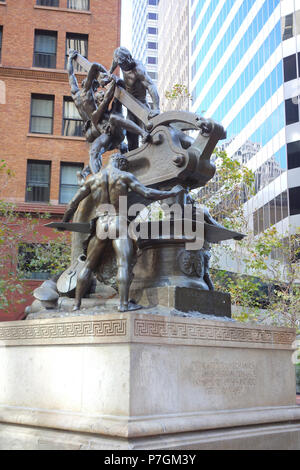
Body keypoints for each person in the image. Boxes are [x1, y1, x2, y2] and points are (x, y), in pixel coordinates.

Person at [61, 153, 184, 312]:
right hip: (119, 221)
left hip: (101, 223)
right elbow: (147, 193)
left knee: (89, 265)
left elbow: (73, 203)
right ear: (122, 164)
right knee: (123, 265)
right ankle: (123, 304)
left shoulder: (92, 179)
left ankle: (76, 304)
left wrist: (64, 222)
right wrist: (171, 193)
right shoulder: (124, 176)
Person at [67, 50, 150, 174]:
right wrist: (107, 78)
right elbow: (90, 72)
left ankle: (140, 139)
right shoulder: (87, 100)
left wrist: (111, 78)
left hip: (108, 131)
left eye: (99, 92)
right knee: (96, 149)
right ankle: (96, 176)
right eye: (96, 89)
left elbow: (71, 76)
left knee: (115, 127)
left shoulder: (87, 100)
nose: (98, 93)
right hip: (100, 130)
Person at [109, 47, 160, 151]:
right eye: (120, 64)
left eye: (123, 63)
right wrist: (109, 73)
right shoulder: (119, 60)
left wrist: (156, 108)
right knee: (131, 136)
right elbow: (115, 63)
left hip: (141, 105)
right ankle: (133, 163)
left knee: (148, 130)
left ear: (129, 58)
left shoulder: (138, 69)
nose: (122, 66)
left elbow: (151, 86)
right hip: (130, 105)